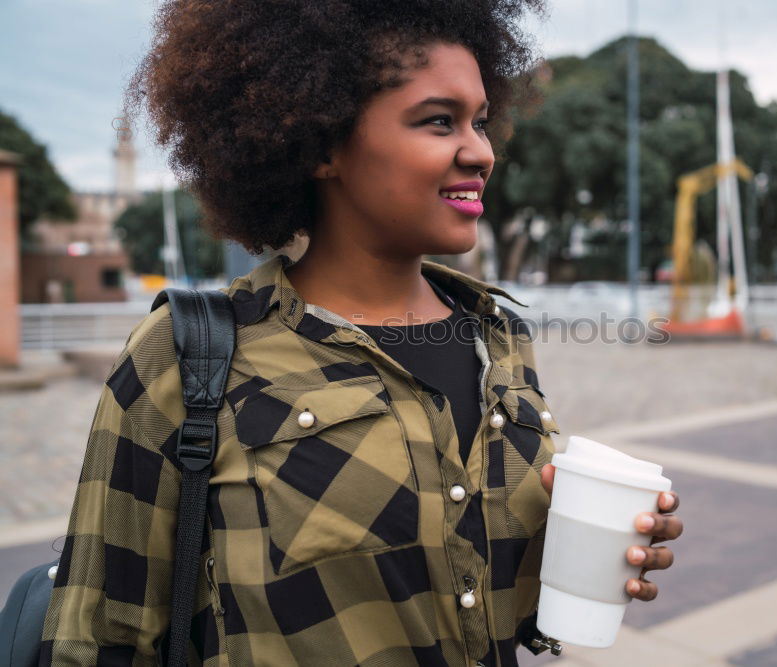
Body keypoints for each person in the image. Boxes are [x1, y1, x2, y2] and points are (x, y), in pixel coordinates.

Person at [40, 1, 683, 664]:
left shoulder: (499, 337)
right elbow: (99, 640)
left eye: (482, 122)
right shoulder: (189, 357)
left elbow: (485, 599)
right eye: (440, 121)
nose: (482, 152)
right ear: (322, 146)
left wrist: (574, 555)